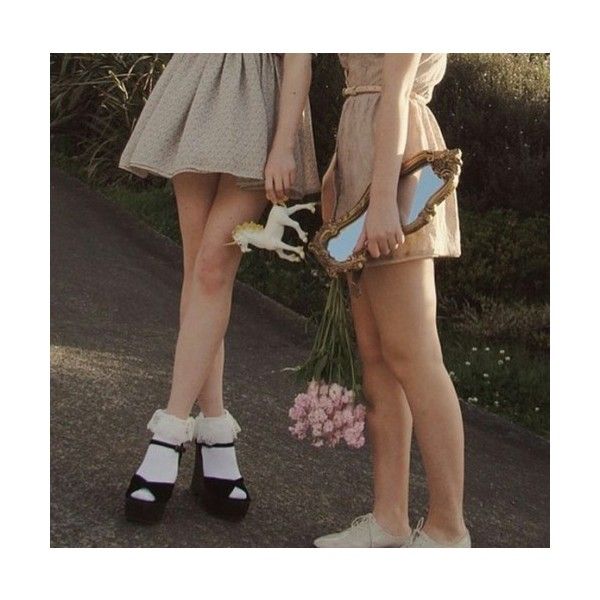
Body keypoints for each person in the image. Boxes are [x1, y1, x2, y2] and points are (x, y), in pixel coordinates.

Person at [119, 53, 319, 524]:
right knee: (199, 272)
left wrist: (284, 144)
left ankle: (168, 435)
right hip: (200, 83)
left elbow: (299, 56)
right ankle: (214, 434)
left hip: (263, 105)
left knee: (212, 269)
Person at [314, 53, 470, 547]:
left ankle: (448, 530)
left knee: (415, 355)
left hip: (398, 168)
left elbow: (397, 91)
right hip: (368, 163)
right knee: (377, 357)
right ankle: (389, 521)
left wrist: (383, 200)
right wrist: (339, 176)